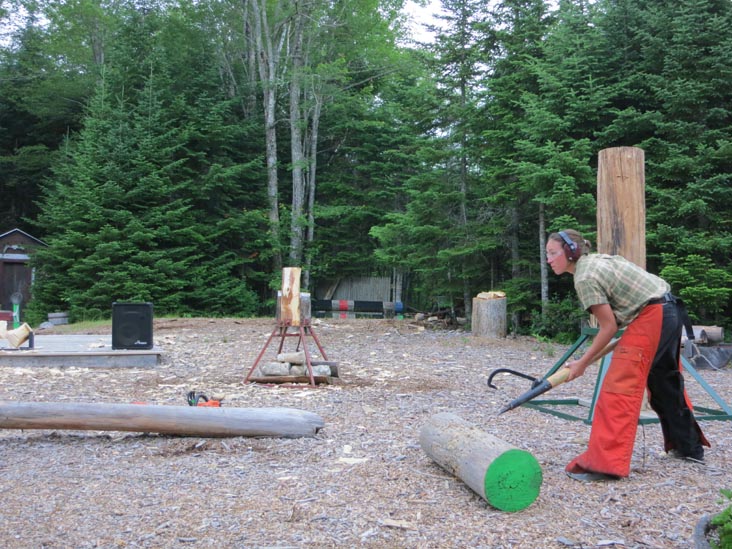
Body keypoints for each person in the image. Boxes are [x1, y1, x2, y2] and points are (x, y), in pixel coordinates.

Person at [545, 229, 709, 482]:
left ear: (570, 253)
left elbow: (608, 327)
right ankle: (688, 447)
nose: (549, 259)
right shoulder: (597, 261)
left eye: (553, 253)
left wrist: (582, 363)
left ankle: (605, 466)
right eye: (547, 254)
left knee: (618, 388)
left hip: (653, 314)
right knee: (663, 381)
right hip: (669, 310)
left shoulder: (585, 277)